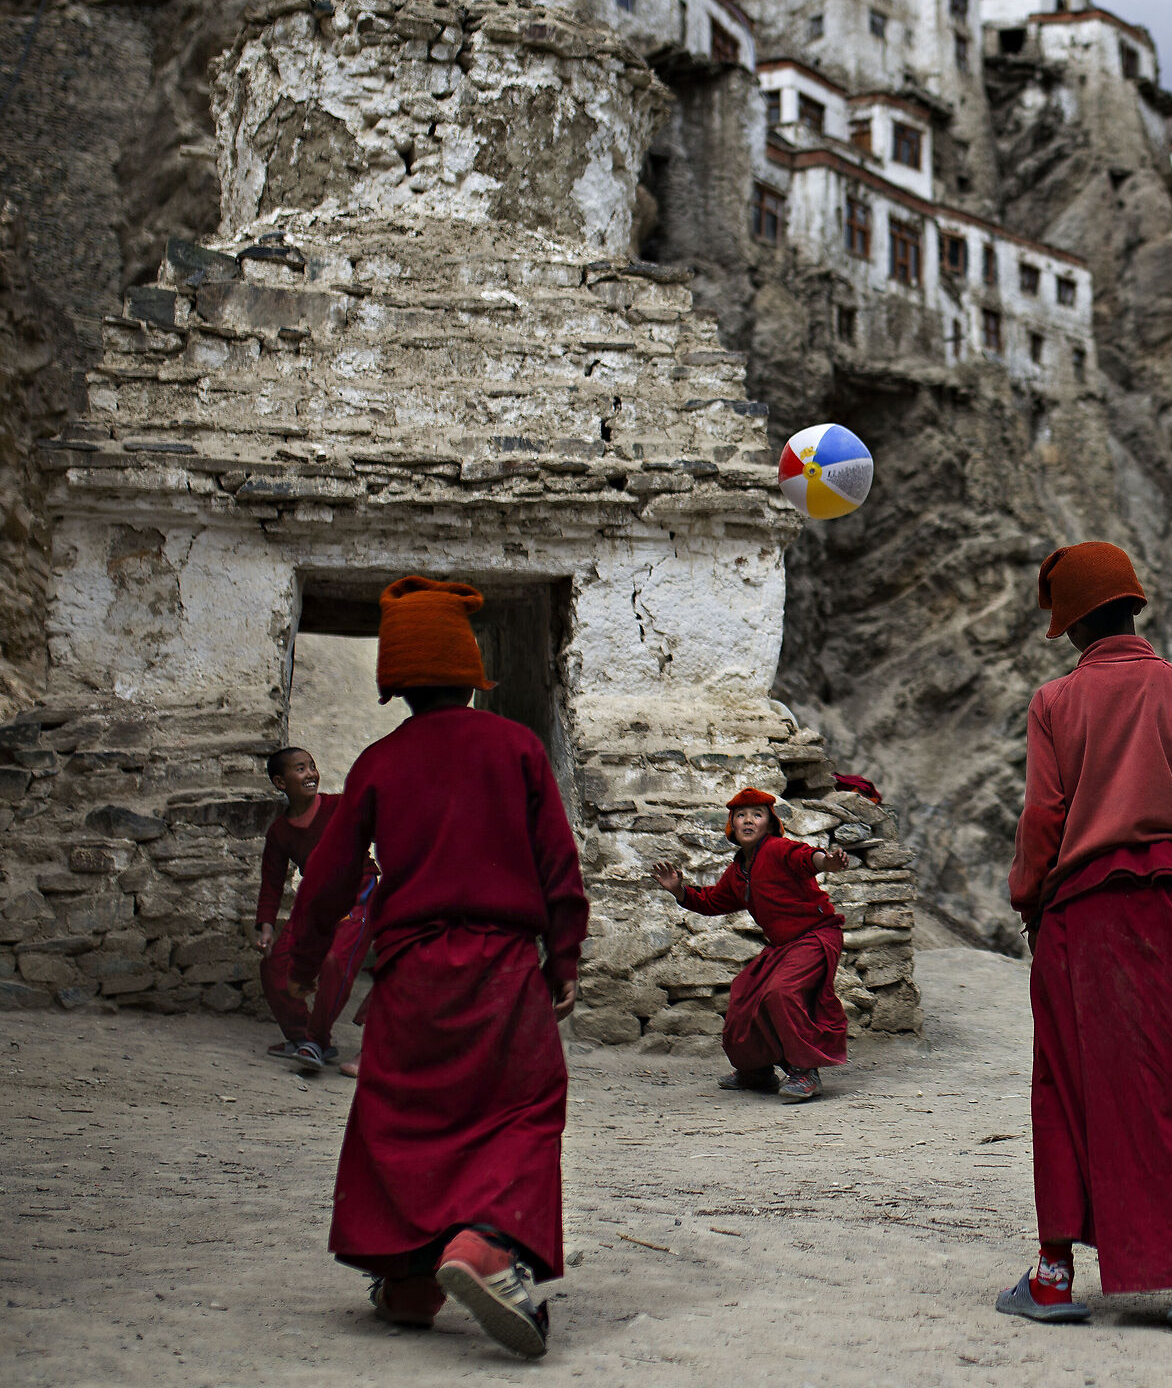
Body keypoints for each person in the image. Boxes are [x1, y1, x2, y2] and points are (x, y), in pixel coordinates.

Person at [283, 577, 588, 1359]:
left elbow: (330, 875)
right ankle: (484, 1245)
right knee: (521, 1106)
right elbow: (559, 864)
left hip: (413, 971)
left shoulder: (381, 762)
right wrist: (564, 959)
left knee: (402, 1117)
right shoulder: (517, 746)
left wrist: (305, 958)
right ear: (471, 670)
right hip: (503, 967)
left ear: (397, 684)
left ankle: (411, 1280)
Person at [998, 541, 1172, 1331]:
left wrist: (1029, 899)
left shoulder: (1054, 703)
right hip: (1167, 914)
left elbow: (1043, 817)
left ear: (1073, 624)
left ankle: (1055, 1275)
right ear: (1132, 604)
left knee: (1066, 1086)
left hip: (1074, 917)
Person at [651, 788, 852, 1102]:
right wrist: (679, 891)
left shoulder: (778, 849)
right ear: (732, 825)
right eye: (741, 815)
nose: (748, 821)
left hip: (815, 936)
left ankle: (804, 1070)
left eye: (757, 815)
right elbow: (712, 901)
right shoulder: (737, 872)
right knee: (744, 993)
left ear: (769, 824)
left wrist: (826, 862)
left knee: (781, 992)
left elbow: (806, 857)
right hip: (782, 945)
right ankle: (756, 1071)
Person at [254, 746, 374, 1073]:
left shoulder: (339, 806)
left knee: (336, 960)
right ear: (280, 782)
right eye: (299, 769)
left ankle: (317, 1040)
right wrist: (265, 925)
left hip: (359, 891)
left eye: (311, 766)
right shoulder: (280, 832)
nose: (310, 774)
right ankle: (300, 1035)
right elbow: (272, 882)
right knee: (275, 963)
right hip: (318, 898)